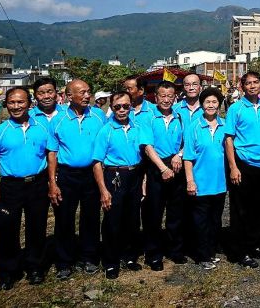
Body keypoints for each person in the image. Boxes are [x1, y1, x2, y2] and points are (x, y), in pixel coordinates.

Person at [0, 87, 52, 290]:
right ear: (7, 104)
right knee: (7, 230)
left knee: (37, 228)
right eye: (12, 102)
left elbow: (50, 154)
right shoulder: (0, 132)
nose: (16, 106)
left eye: (20, 102)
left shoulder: (41, 127)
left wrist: (51, 182)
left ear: (30, 103)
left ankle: (35, 267)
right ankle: (8, 272)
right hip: (11, 186)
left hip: (37, 184)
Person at [47, 79, 106, 279]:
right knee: (64, 219)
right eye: (82, 92)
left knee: (91, 217)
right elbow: (52, 153)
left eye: (89, 91)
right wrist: (53, 183)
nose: (87, 95)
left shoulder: (98, 116)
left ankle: (89, 257)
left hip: (92, 174)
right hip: (67, 175)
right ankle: (64, 261)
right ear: (69, 96)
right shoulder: (58, 119)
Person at [92, 91, 144, 279]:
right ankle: (111, 261)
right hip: (114, 176)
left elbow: (144, 153)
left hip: (135, 174)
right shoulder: (106, 130)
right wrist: (103, 190)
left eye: (125, 106)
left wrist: (143, 180)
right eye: (117, 107)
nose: (122, 110)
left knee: (132, 218)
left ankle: (129, 256)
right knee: (113, 220)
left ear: (131, 106)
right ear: (111, 107)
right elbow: (97, 162)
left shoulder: (137, 127)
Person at [224, 71, 260, 268]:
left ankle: (255, 245)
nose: (252, 86)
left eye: (256, 82)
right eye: (248, 83)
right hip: (244, 163)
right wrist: (233, 167)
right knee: (240, 211)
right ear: (242, 87)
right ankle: (240, 251)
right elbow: (229, 139)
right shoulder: (235, 108)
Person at [139, 81, 187, 269]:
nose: (166, 100)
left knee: (176, 212)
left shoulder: (180, 117)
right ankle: (153, 254)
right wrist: (162, 168)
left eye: (170, 96)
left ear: (175, 97)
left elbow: (187, 141)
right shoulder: (148, 118)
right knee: (154, 214)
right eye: (162, 96)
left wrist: (179, 155)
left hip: (176, 165)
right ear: (156, 97)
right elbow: (147, 147)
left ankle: (175, 250)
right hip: (156, 167)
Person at [184, 87, 228, 270]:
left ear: (219, 105)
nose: (211, 105)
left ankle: (210, 251)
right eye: (207, 102)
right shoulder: (193, 127)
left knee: (215, 220)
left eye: (214, 102)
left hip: (220, 183)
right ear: (202, 104)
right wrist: (190, 180)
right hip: (200, 182)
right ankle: (201, 255)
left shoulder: (225, 126)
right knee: (200, 222)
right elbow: (188, 157)